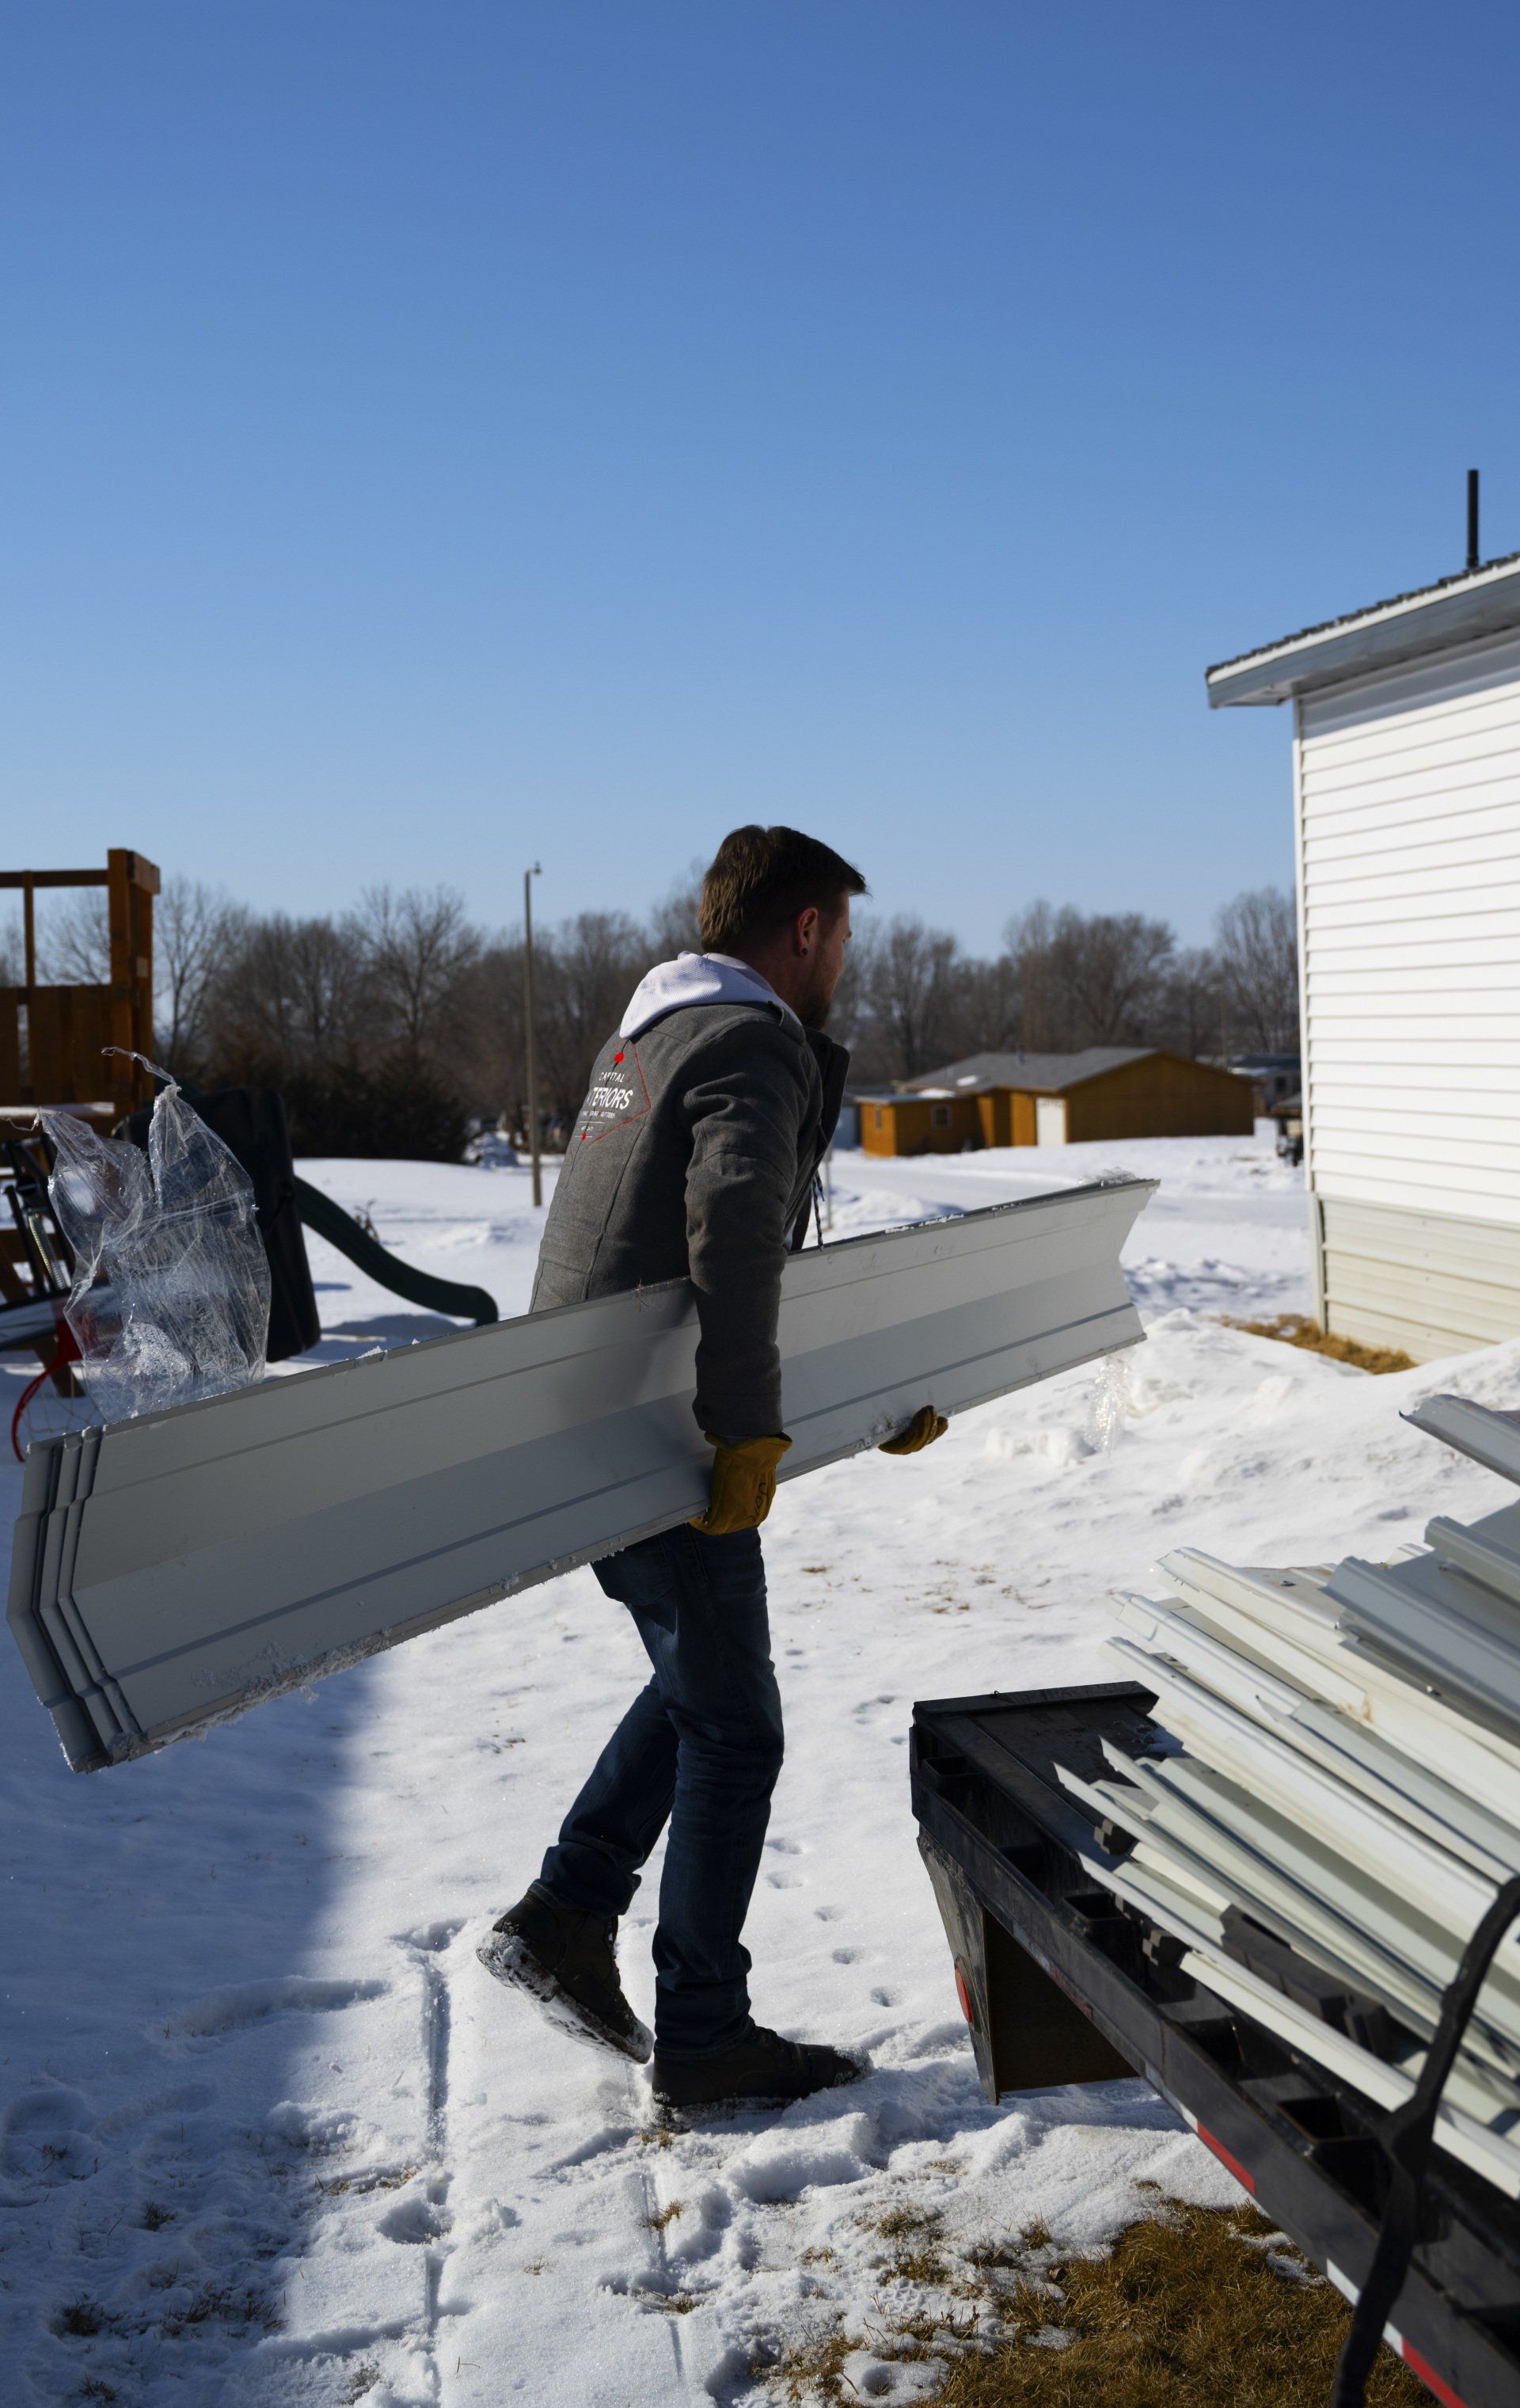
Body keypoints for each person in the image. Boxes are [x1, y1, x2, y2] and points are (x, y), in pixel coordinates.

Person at [477, 826, 946, 2113]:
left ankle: (566, 1913)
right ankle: (703, 2032)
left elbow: (706, 1252)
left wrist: (851, 1405)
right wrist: (747, 1428)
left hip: (590, 1422)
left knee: (699, 1694)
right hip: (660, 1434)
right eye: (842, 935)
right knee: (736, 1729)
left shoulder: (648, 1038)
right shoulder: (749, 1037)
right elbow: (732, 1232)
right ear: (805, 929)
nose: (845, 958)